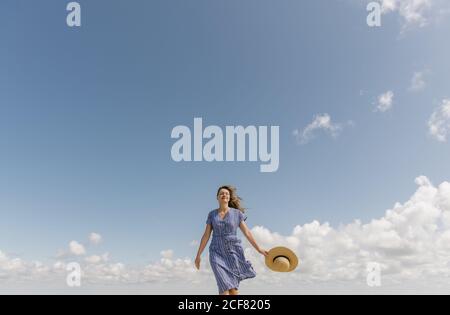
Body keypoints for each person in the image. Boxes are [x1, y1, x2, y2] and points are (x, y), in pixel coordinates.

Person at [195, 185, 268, 295]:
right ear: (217, 197)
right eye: (221, 193)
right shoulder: (212, 214)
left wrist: (259, 249)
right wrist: (198, 255)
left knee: (233, 291)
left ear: (229, 198)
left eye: (227, 194)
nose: (224, 195)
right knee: (224, 287)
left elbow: (247, 232)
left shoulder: (237, 214)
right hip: (216, 252)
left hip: (233, 252)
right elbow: (206, 235)